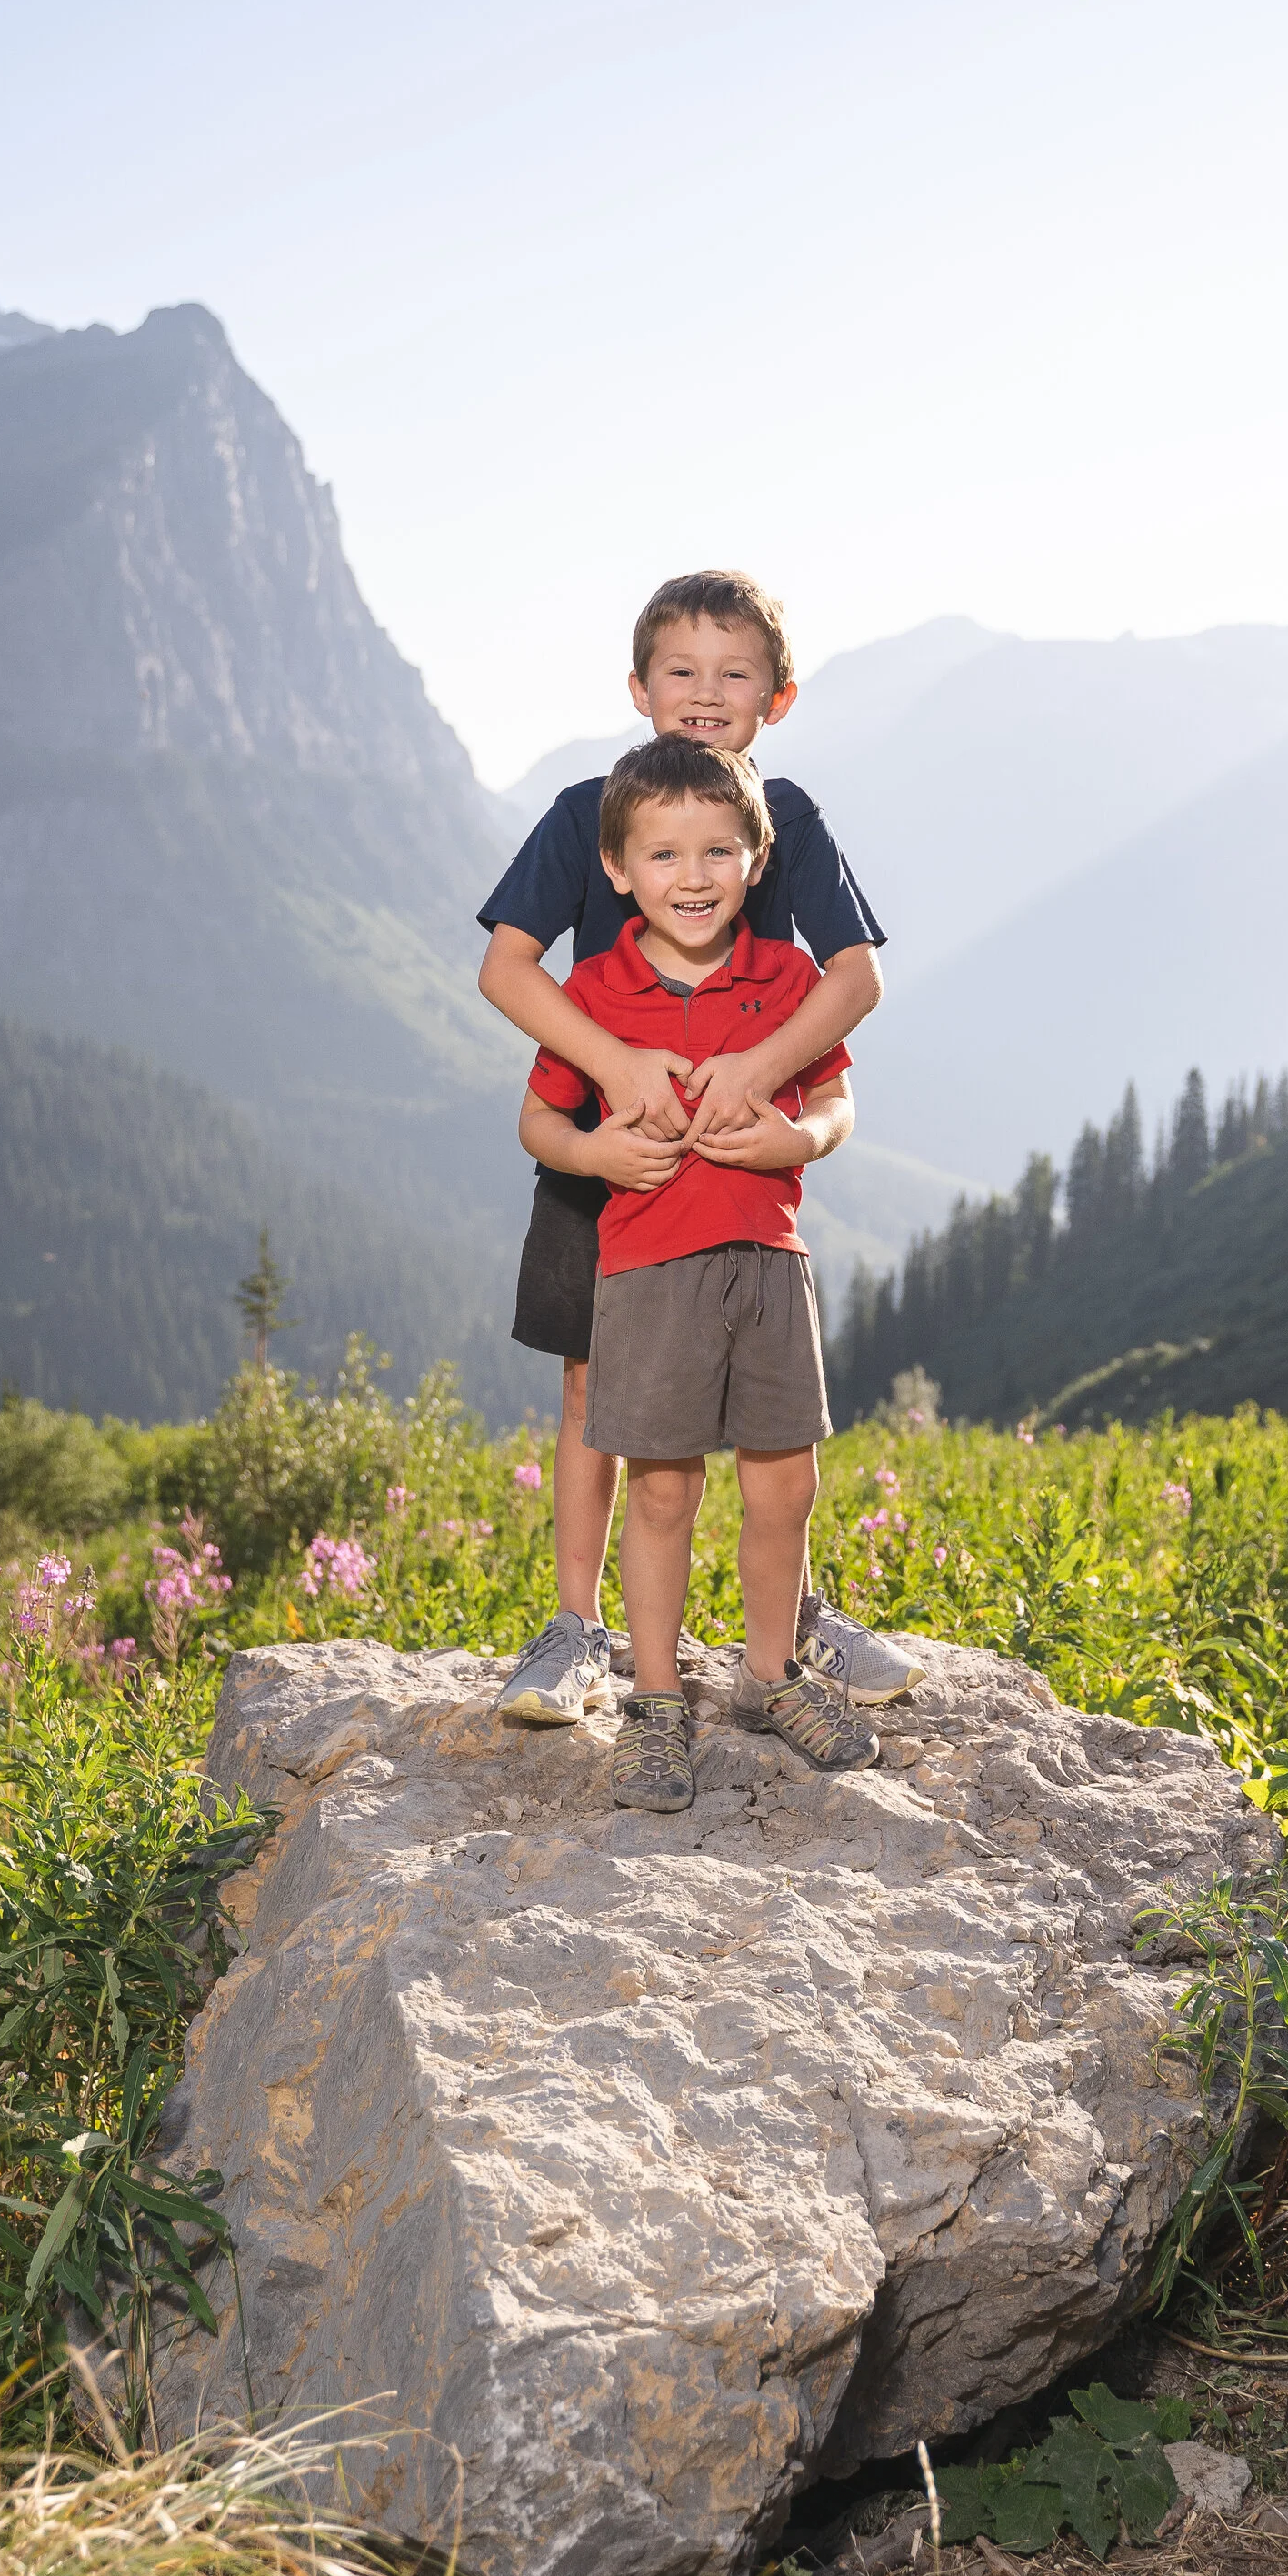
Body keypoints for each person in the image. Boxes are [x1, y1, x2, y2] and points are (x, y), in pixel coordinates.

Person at [477, 567, 920, 1726]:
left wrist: (762, 1086)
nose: (706, 693)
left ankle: (795, 1620)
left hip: (739, 1158)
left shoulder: (792, 821)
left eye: (735, 673)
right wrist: (615, 1073)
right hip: (606, 1143)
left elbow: (854, 977)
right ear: (639, 688)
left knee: (767, 1417)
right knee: (594, 1381)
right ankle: (579, 1629)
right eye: (682, 670)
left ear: (777, 699)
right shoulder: (587, 812)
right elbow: (506, 967)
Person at [517, 734, 878, 1809]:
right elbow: (539, 1116)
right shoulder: (592, 992)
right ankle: (658, 1702)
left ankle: (771, 1678)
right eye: (665, 856)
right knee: (663, 1490)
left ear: (755, 860)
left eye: (717, 852)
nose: (693, 877)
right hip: (647, 1273)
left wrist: (799, 1142)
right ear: (618, 870)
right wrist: (591, 1153)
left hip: (771, 1261)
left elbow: (834, 1102)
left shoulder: (789, 979)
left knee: (787, 1483)